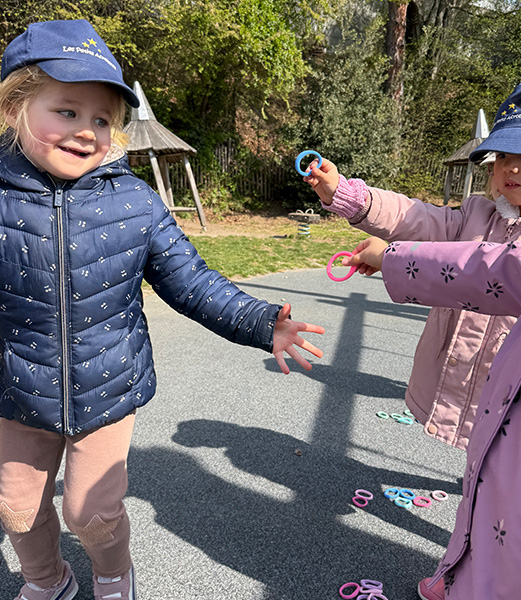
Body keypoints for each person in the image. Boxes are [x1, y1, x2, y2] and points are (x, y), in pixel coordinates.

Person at [0, 19, 324, 600]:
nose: (87, 131)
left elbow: (191, 281)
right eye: (67, 111)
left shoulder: (135, 202)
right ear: (15, 107)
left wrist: (260, 321)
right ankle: (48, 579)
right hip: (16, 388)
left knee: (91, 513)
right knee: (16, 509)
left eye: (102, 120)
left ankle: (112, 573)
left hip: (107, 386)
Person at [339, 27, 521, 600]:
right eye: (498, 156)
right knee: (482, 485)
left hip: (517, 418)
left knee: (499, 494)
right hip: (493, 409)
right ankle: (459, 571)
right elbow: (461, 251)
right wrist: (362, 209)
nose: (507, 168)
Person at [304, 83, 521, 450]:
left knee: (513, 463)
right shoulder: (478, 215)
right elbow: (417, 218)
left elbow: (486, 274)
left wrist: (391, 258)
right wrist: (347, 194)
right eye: (501, 154)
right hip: (463, 383)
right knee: (480, 461)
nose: (509, 166)